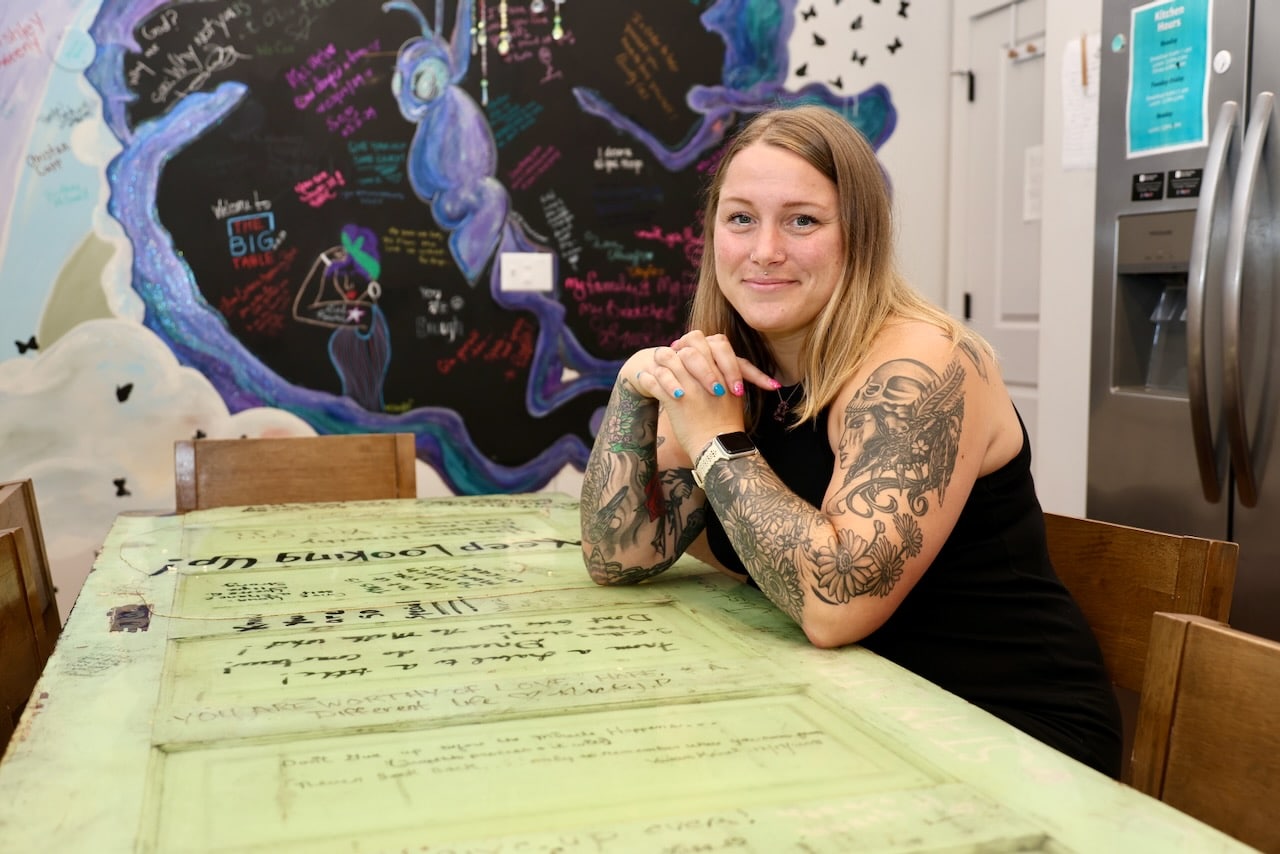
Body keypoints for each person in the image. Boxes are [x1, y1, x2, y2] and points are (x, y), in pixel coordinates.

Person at [578, 104, 1123, 778]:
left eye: (802, 221)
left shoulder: (922, 365)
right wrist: (632, 389)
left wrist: (715, 442)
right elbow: (619, 556)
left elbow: (835, 608)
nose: (764, 250)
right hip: (851, 714)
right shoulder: (734, 366)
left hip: (1008, 738)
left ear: (859, 236)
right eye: (740, 218)